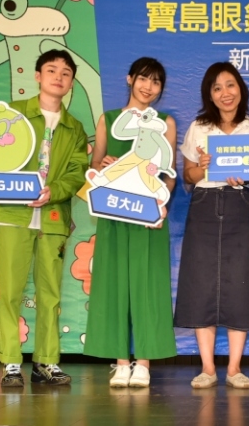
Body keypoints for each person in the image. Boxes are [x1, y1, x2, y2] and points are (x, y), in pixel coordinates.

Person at [0, 49, 89, 387]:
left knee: (50, 294)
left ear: (72, 82)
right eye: (51, 70)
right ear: (37, 76)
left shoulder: (75, 129)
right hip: (12, 215)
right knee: (10, 291)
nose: (58, 77)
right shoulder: (13, 115)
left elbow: (77, 173)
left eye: (66, 73)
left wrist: (55, 190)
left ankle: (46, 361)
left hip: (52, 218)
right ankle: (11, 363)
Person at [83, 57, 178, 388]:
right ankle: (121, 362)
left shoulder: (165, 123)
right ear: (129, 79)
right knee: (112, 284)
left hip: (149, 216)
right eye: (143, 79)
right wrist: (102, 164)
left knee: (148, 285)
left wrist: (161, 204)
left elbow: (168, 174)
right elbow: (94, 165)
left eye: (156, 82)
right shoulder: (108, 119)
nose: (148, 87)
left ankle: (145, 362)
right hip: (113, 212)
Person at [175, 62, 249, 390]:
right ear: (209, 95)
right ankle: (207, 368)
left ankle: (234, 368)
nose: (225, 93)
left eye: (230, 85)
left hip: (241, 205)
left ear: (241, 89)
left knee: (240, 285)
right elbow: (188, 177)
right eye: (217, 88)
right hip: (203, 206)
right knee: (201, 285)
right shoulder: (199, 127)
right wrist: (202, 167)